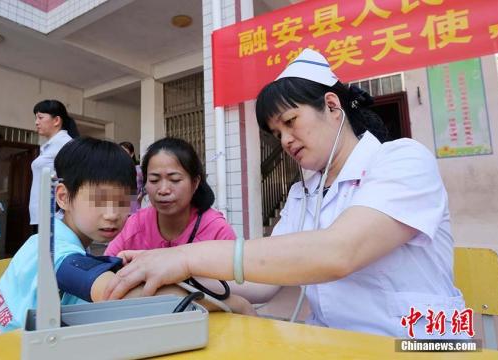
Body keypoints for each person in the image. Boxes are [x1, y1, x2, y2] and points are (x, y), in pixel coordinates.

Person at [104, 49, 466, 339]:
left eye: (290, 122)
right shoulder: (303, 192)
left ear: (332, 106)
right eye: (275, 134)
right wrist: (173, 278)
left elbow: (339, 252)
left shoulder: (402, 159)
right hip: (337, 343)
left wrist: (185, 257)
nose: (285, 141)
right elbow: (262, 282)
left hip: (416, 343)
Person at [0, 137, 136, 338]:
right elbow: (116, 295)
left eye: (122, 202)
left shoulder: (52, 239)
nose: (112, 214)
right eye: (99, 200)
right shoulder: (54, 249)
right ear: (63, 197)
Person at [105, 137, 237, 254]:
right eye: (154, 180)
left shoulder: (218, 231)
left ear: (195, 182)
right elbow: (104, 271)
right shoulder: (133, 225)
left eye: (174, 180)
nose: (163, 190)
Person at [29, 99, 79, 233]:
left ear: (56, 120)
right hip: (42, 213)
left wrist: (60, 210)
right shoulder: (50, 145)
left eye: (40, 117)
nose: (36, 122)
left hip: (54, 215)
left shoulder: (66, 144)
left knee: (50, 252)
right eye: (36, 118)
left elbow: (74, 178)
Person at [119, 141, 144, 211]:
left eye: (125, 152)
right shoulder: (116, 170)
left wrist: (142, 194)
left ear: (132, 154)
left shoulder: (138, 170)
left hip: (134, 208)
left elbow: (148, 182)